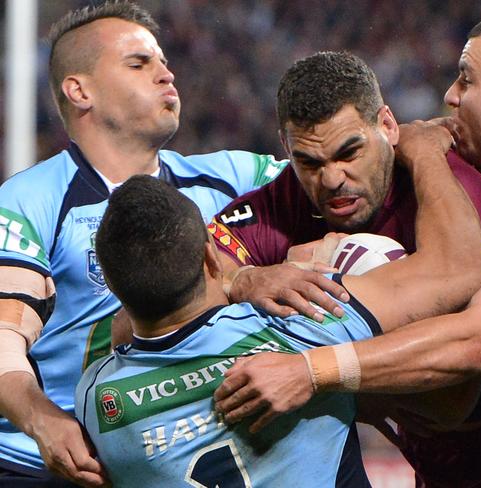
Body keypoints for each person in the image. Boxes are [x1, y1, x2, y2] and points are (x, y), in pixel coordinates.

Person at [215, 14, 481, 488]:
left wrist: (311, 371)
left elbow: (475, 340)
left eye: (467, 78)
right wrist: (243, 279)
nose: (449, 96)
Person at [76, 114, 478, 486]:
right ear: (210, 256)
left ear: (112, 286)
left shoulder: (96, 402)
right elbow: (459, 268)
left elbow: (121, 333)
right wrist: (424, 151)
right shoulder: (299, 323)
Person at [0, 2, 297, 486]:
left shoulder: (231, 179)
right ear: (81, 91)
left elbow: (347, 174)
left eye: (163, 62)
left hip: (180, 454)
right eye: (139, 64)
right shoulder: (28, 202)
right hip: (51, 466)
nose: (166, 74)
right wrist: (43, 423)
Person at [210, 51, 481, 487]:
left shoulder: (451, 188)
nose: (332, 179)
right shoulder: (284, 201)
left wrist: (324, 376)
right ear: (286, 149)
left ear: (387, 126)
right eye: (310, 163)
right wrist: (242, 278)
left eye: (349, 152)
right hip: (434, 464)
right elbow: (185, 279)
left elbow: (454, 395)